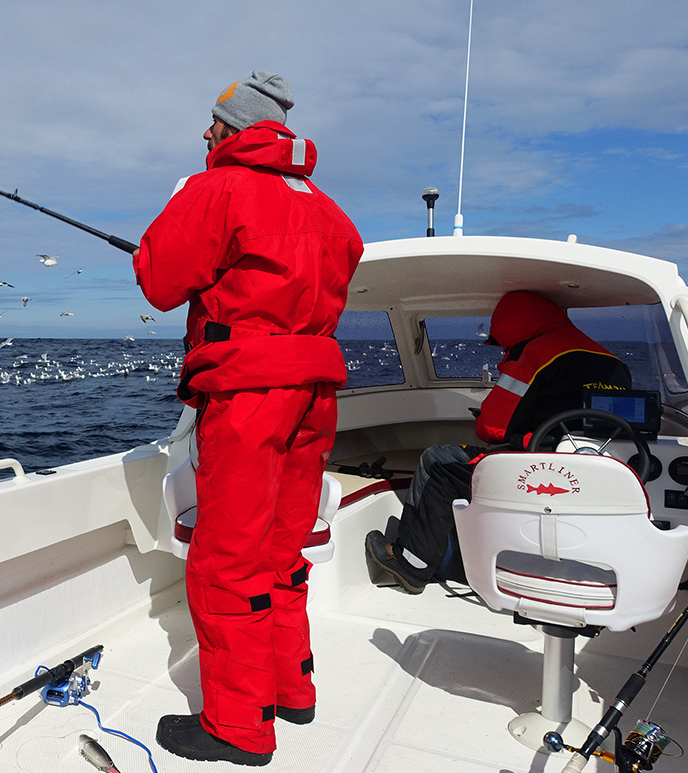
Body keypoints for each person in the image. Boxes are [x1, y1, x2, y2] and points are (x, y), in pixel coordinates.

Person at [133, 71, 363, 765]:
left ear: (232, 129)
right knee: (282, 551)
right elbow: (340, 263)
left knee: (227, 559)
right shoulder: (327, 210)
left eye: (212, 124)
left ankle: (236, 728)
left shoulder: (219, 188)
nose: (205, 134)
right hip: (315, 394)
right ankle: (292, 692)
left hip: (248, 394)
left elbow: (159, 280)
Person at [366, 290, 633, 593]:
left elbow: (492, 429)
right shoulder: (612, 361)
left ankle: (410, 565)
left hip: (536, 471)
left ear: (510, 327)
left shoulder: (536, 353)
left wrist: (483, 417)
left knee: (437, 462)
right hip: (596, 479)